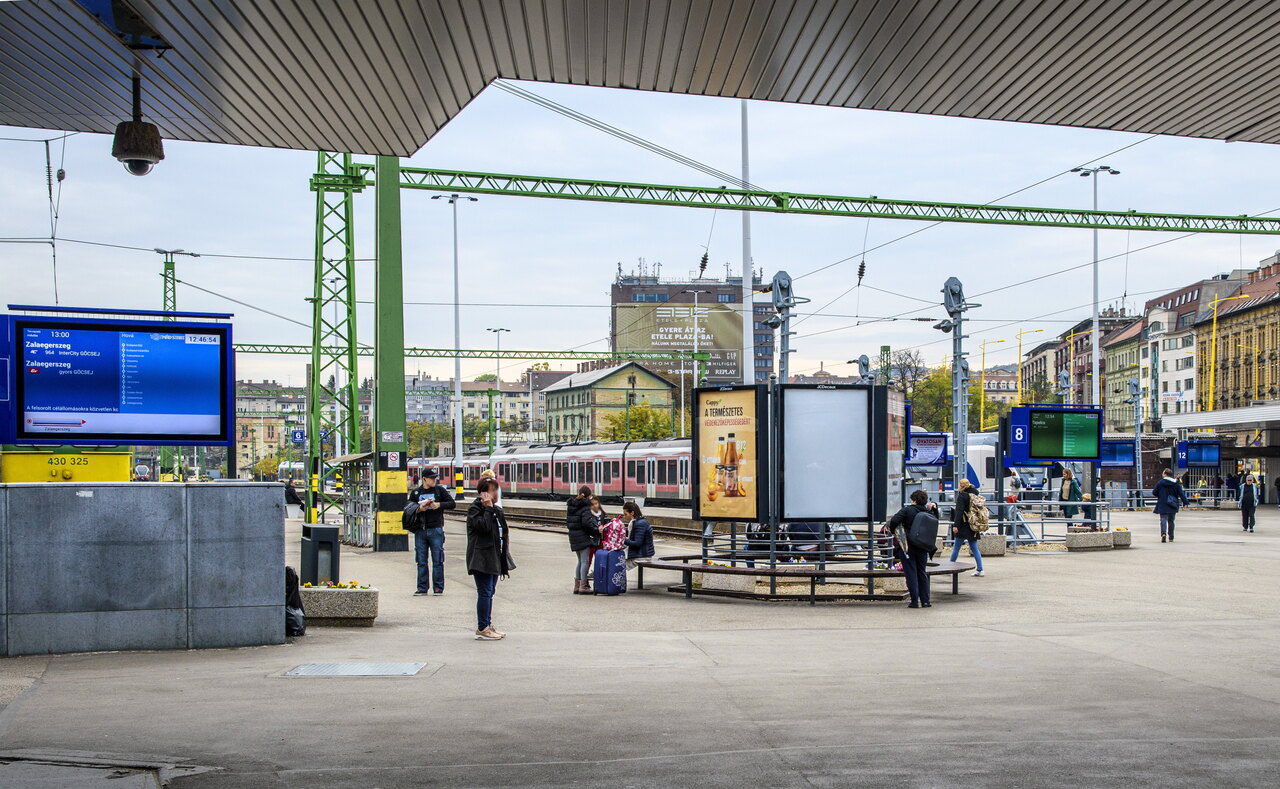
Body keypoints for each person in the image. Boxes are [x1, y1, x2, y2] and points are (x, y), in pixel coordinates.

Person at [466, 477, 515, 640]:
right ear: (484, 493)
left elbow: (502, 529)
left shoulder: (495, 509)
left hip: (494, 556)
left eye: (497, 490)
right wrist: (488, 508)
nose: (496, 493)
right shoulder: (475, 509)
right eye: (493, 490)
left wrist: (492, 508)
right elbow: (485, 527)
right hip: (481, 557)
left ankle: (487, 625)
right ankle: (482, 628)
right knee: (485, 592)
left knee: (490, 591)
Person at [407, 467, 455, 596]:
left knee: (438, 560)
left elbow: (452, 503)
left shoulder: (440, 491)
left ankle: (438, 587)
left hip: (436, 529)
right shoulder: (416, 493)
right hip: (420, 530)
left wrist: (439, 505)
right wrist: (419, 509)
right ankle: (422, 587)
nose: (434, 480)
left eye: (435, 478)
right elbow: (408, 509)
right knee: (421, 561)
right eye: (431, 478)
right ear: (424, 479)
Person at [889, 490, 939, 609]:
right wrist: (934, 508)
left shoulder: (907, 510)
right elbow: (935, 521)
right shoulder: (928, 512)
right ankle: (926, 601)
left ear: (914, 500)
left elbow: (894, 521)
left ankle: (914, 601)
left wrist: (894, 531)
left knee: (911, 573)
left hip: (908, 546)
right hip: (923, 547)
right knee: (922, 572)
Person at [566, 485, 599, 594]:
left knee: (580, 561)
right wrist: (595, 530)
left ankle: (577, 586)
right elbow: (586, 524)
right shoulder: (585, 507)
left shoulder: (571, 506)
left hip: (573, 536)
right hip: (583, 536)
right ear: (589, 496)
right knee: (585, 561)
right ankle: (583, 586)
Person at [949, 479, 985, 577]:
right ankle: (980, 569)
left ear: (961, 486)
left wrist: (955, 525)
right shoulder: (975, 494)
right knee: (974, 548)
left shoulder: (962, 496)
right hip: (973, 524)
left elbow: (959, 512)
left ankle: (950, 567)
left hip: (963, 524)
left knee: (956, 548)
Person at [1152, 468, 1189, 543]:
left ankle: (1163, 534)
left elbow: (1154, 492)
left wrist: (1161, 494)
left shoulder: (1160, 483)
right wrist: (1185, 503)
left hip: (1162, 503)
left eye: (1163, 473)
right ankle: (1171, 537)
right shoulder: (1176, 483)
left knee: (1163, 519)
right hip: (1173, 504)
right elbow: (1181, 494)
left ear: (1165, 474)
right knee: (1171, 521)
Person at [621, 501, 654, 570]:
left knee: (618, 566)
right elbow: (632, 534)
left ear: (632, 513)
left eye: (626, 514)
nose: (624, 516)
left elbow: (637, 543)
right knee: (617, 561)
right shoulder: (637, 522)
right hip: (640, 554)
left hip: (642, 557)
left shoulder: (640, 524)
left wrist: (622, 539)